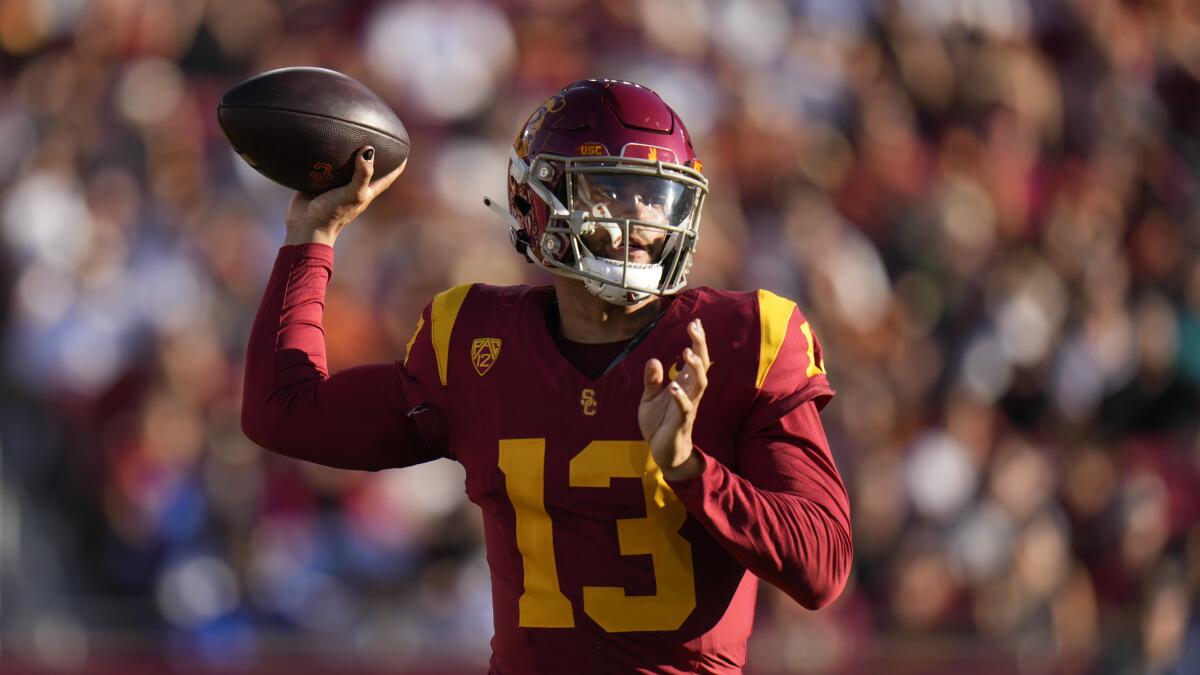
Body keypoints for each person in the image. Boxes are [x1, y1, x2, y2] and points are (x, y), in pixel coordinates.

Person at [242, 79, 852, 674]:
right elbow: (283, 413)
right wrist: (312, 236)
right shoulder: (473, 341)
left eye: (656, 196)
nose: (642, 218)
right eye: (613, 190)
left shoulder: (746, 341)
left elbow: (822, 568)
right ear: (540, 199)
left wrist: (691, 469)